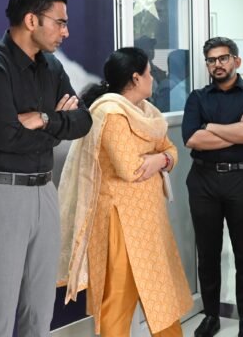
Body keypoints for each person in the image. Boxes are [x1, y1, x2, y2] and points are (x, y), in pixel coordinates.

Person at [0, 0, 92, 337]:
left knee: (39, 309)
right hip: (0, 191)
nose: (65, 32)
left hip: (44, 190)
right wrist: (57, 122)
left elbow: (83, 121)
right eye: (60, 22)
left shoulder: (52, 66)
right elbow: (6, 138)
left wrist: (44, 118)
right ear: (32, 20)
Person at [58, 47, 192, 336]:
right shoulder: (109, 113)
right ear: (135, 78)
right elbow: (130, 168)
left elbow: (170, 150)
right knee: (118, 300)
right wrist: (159, 158)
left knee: (161, 296)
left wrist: (159, 159)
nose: (153, 78)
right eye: (149, 73)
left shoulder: (148, 112)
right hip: (120, 222)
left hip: (149, 221)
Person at [182, 37, 243, 337]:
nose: (217, 64)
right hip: (203, 181)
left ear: (236, 61)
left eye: (223, 58)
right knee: (208, 252)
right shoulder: (197, 98)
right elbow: (191, 139)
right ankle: (211, 315)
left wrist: (210, 127)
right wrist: (235, 129)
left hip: (241, 179)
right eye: (211, 60)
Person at [135, 35, 170, 111]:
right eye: (147, 47)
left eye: (152, 47)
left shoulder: (161, 73)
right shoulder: (135, 75)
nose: (151, 50)